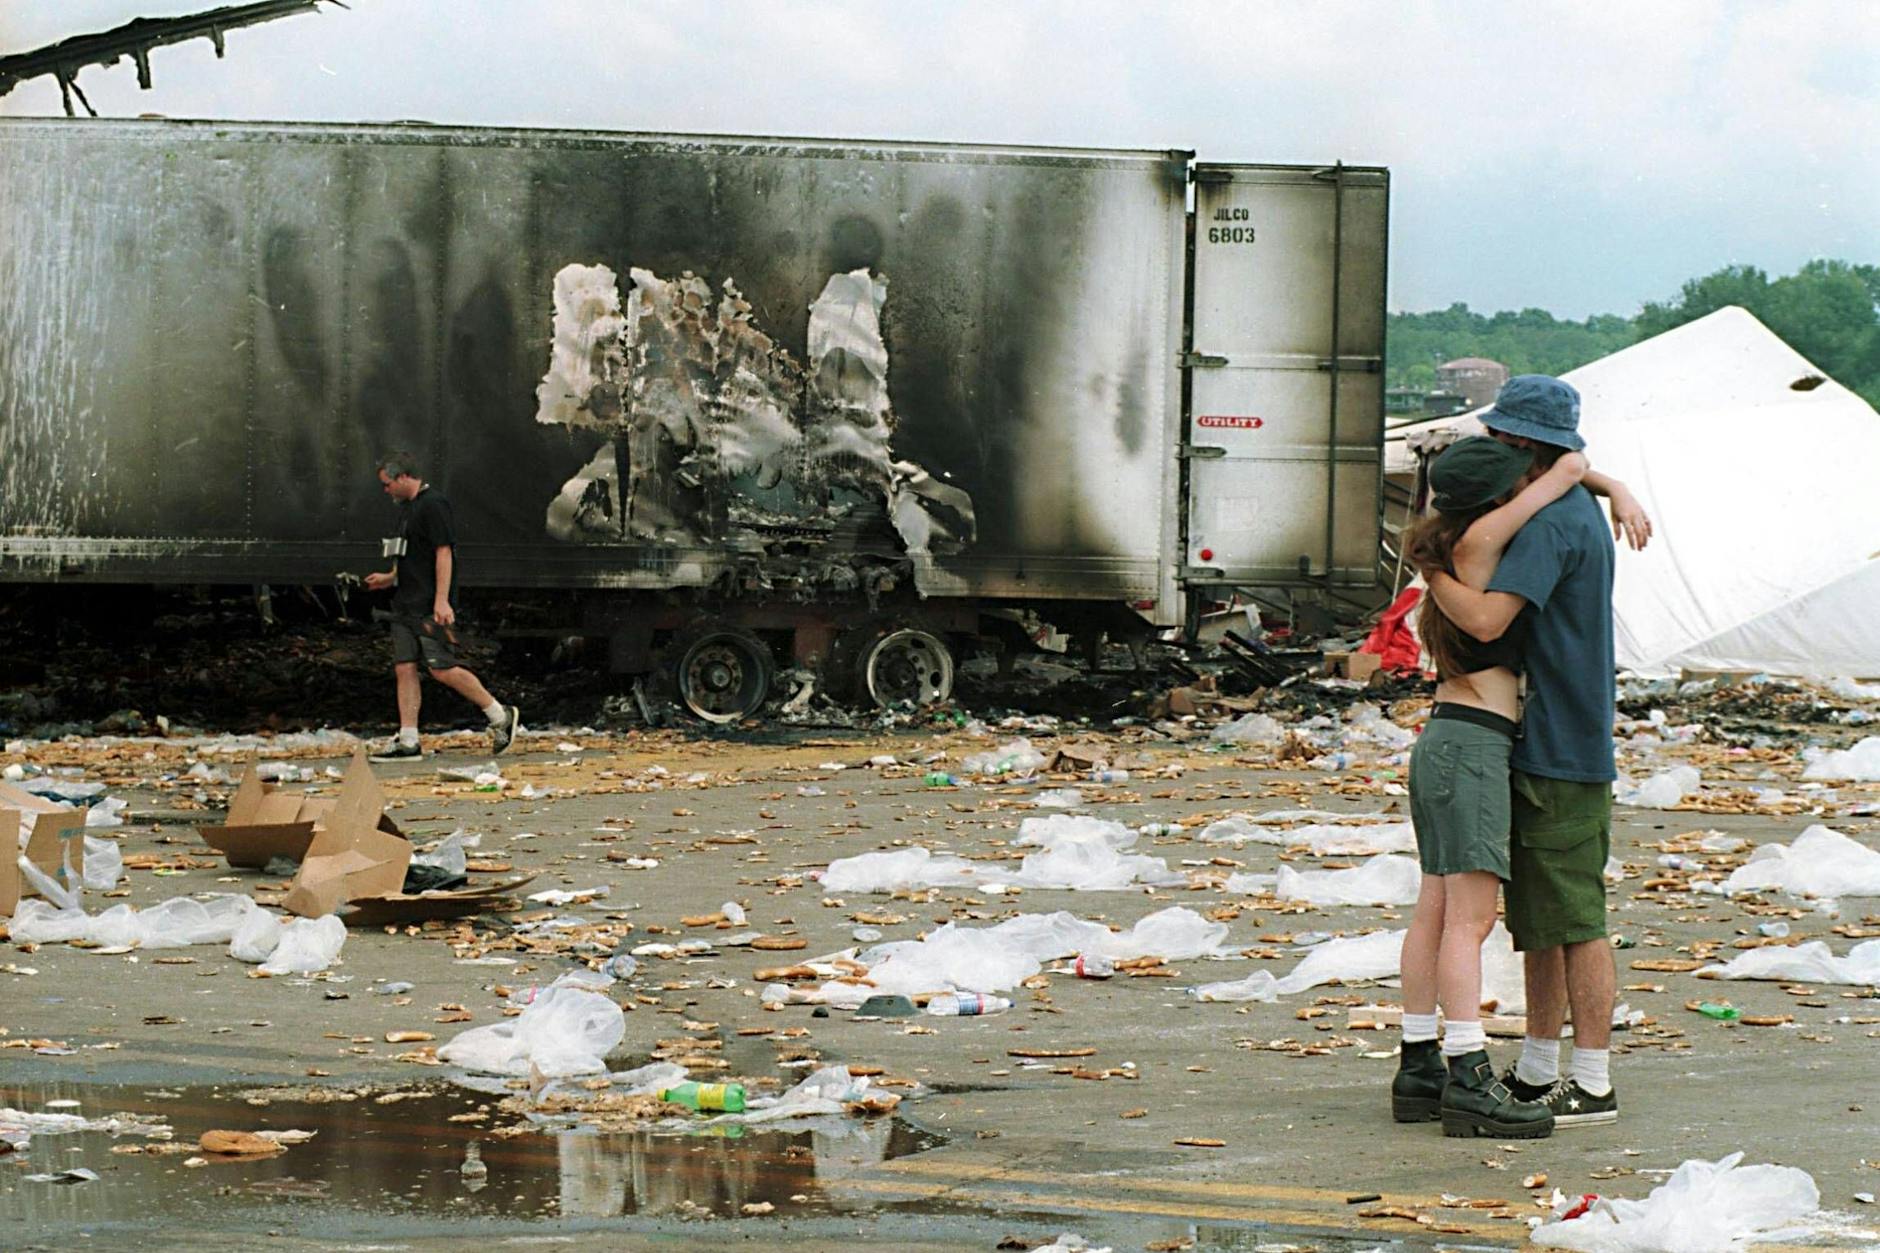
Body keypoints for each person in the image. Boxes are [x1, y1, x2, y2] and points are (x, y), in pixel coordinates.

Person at [1420, 375, 1650, 1130]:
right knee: (1543, 922)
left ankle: (1592, 1080)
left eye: (1501, 437)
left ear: (1524, 446)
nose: (1492, 446)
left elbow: (1488, 621)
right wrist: (1610, 482)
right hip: (1551, 738)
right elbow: (1574, 471)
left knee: (1575, 919)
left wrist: (1430, 570)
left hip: (1559, 742)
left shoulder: (1550, 525)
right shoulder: (1567, 501)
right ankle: (1541, 1067)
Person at [1392, 435, 1584, 1138]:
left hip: (1445, 737)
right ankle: (1469, 1072)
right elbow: (1554, 482)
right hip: (1473, 744)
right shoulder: (1475, 547)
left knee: (1436, 912)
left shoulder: (1450, 550)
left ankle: (1419, 1062)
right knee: (1468, 922)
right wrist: (1572, 469)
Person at [364, 453, 520, 761]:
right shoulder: (407, 509)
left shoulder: (433, 505)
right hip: (404, 603)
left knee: (442, 668)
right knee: (404, 667)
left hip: (426, 604)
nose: (385, 490)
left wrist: (442, 599)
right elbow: (411, 555)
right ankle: (409, 740)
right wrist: (390, 578)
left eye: (387, 484)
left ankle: (500, 715)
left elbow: (443, 553)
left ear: (402, 477)